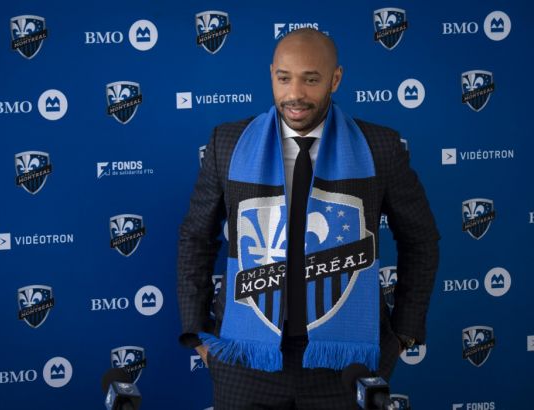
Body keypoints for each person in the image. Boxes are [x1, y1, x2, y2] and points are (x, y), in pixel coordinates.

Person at [177, 28, 439, 410]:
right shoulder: (229, 144)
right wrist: (198, 334)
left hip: (346, 364)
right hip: (245, 358)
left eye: (311, 79)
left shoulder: (378, 147)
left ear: (335, 79)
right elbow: (195, 237)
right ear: (271, 75)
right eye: (284, 78)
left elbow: (421, 240)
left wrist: (401, 335)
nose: (295, 94)